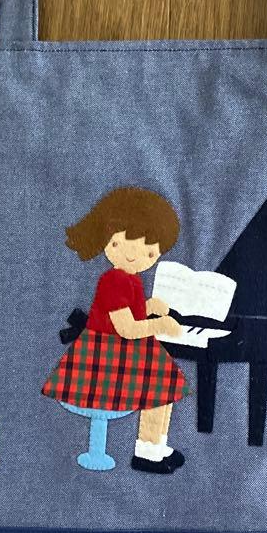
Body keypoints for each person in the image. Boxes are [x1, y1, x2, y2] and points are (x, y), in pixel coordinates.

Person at [42, 187, 189, 474]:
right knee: (161, 388)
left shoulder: (129, 279)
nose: (137, 255)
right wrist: (159, 324)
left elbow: (128, 312)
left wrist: (148, 306)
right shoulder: (113, 281)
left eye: (151, 251)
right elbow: (126, 328)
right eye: (126, 243)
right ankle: (147, 452)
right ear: (109, 240)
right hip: (108, 351)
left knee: (166, 387)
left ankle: (155, 446)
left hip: (122, 347)